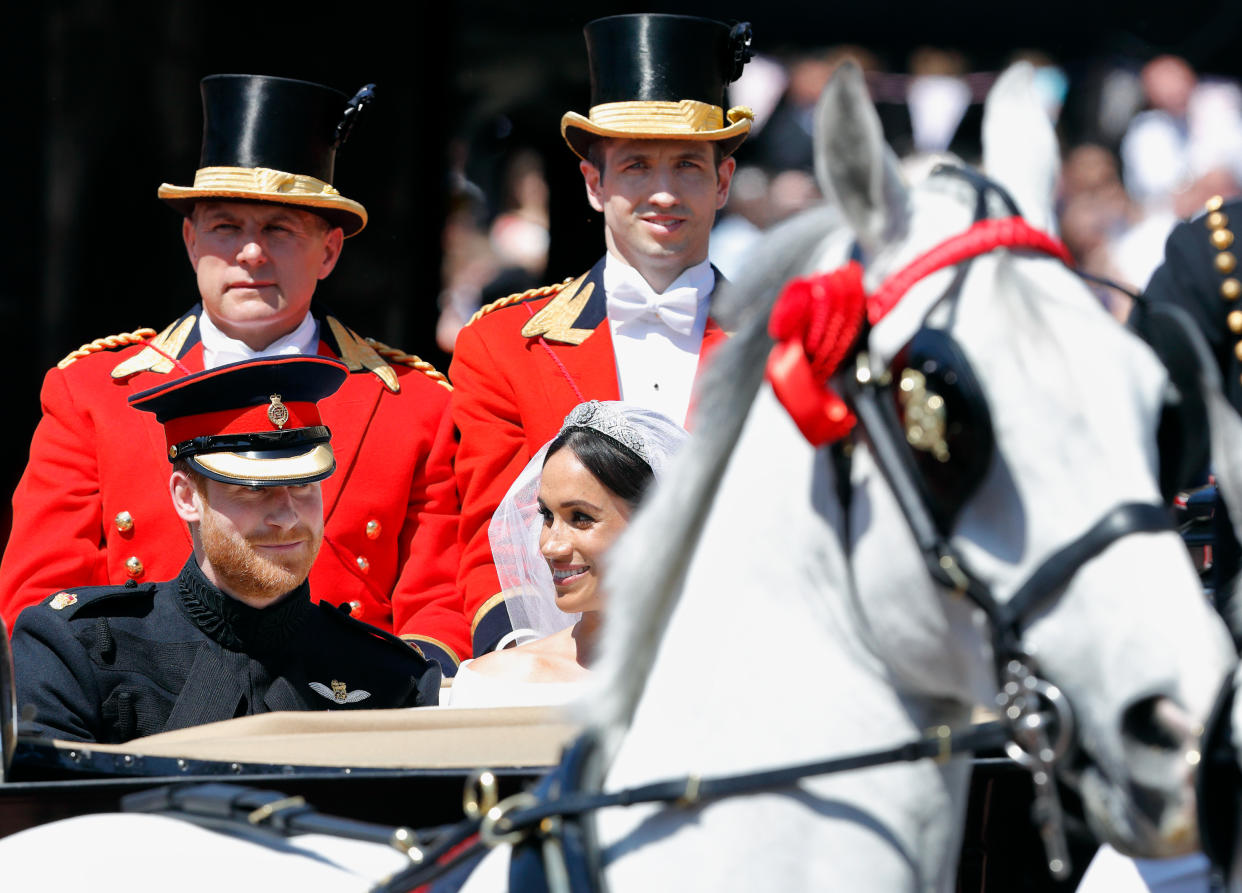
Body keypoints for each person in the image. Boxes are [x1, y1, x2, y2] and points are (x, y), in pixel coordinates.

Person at [0, 74, 468, 673]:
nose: (251, 253)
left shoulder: (418, 406)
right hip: (139, 722)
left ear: (328, 252)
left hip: (348, 721)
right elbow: (42, 599)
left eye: (279, 229)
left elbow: (439, 606)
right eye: (227, 227)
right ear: (192, 241)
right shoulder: (91, 393)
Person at [451, 13, 753, 654]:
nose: (664, 192)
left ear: (723, 182)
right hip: (562, 673)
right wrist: (534, 667)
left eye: (689, 167)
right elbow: (489, 540)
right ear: (595, 183)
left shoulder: (783, 342)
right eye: (637, 165)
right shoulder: (502, 346)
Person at [11, 356, 442, 744]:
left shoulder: (391, 674)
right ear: (186, 497)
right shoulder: (74, 649)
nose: (288, 517)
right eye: (254, 490)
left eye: (304, 486)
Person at [449, 401, 687, 707]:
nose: (550, 546)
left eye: (581, 517)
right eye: (547, 516)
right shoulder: (496, 685)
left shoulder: (731, 675)